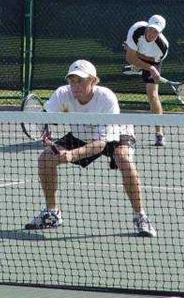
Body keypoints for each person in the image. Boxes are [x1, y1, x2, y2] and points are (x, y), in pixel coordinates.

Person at [24, 59, 156, 238]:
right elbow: (45, 118)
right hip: (82, 132)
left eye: (81, 80)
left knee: (123, 159)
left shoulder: (106, 98)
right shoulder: (63, 93)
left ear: (94, 81)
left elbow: (101, 144)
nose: (75, 85)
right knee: (45, 160)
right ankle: (52, 214)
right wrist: (46, 133)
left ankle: (140, 216)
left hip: (115, 132)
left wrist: (71, 154)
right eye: (72, 80)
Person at [124, 15, 169, 147]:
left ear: (160, 33)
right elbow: (129, 57)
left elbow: (152, 63)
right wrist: (147, 67)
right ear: (147, 26)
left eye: (156, 32)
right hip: (137, 54)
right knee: (129, 51)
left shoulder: (162, 47)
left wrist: (151, 69)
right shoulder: (136, 30)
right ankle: (137, 67)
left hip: (152, 60)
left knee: (152, 94)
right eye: (150, 29)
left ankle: (159, 134)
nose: (152, 34)